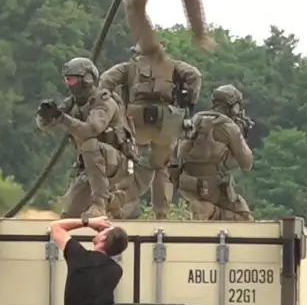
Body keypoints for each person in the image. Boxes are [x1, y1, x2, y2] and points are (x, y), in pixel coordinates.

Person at [98, 43, 201, 219]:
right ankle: (162, 215)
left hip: (136, 120)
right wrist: (188, 99)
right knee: (162, 167)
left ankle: (122, 210)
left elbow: (106, 80)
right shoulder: (173, 66)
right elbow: (195, 75)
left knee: (135, 166)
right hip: (167, 121)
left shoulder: (129, 67)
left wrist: (111, 104)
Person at [37, 57, 136, 218]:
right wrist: (45, 115)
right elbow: (46, 126)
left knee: (89, 144)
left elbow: (91, 129)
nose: (70, 84)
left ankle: (100, 204)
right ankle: (113, 201)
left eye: (73, 79)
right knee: (69, 215)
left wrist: (62, 118)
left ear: (87, 79)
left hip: (117, 163)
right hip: (90, 166)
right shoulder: (73, 103)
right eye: (67, 80)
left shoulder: (104, 102)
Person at [175, 84, 254, 221]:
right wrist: (242, 136)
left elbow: (179, 154)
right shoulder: (229, 127)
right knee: (245, 219)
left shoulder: (195, 120)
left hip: (187, 184)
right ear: (234, 107)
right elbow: (247, 164)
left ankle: (204, 211)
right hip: (213, 187)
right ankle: (208, 210)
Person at [49, 216, 128, 305]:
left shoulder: (79, 256)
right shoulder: (116, 270)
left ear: (103, 238)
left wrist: (89, 222)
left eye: (101, 231)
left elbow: (55, 226)